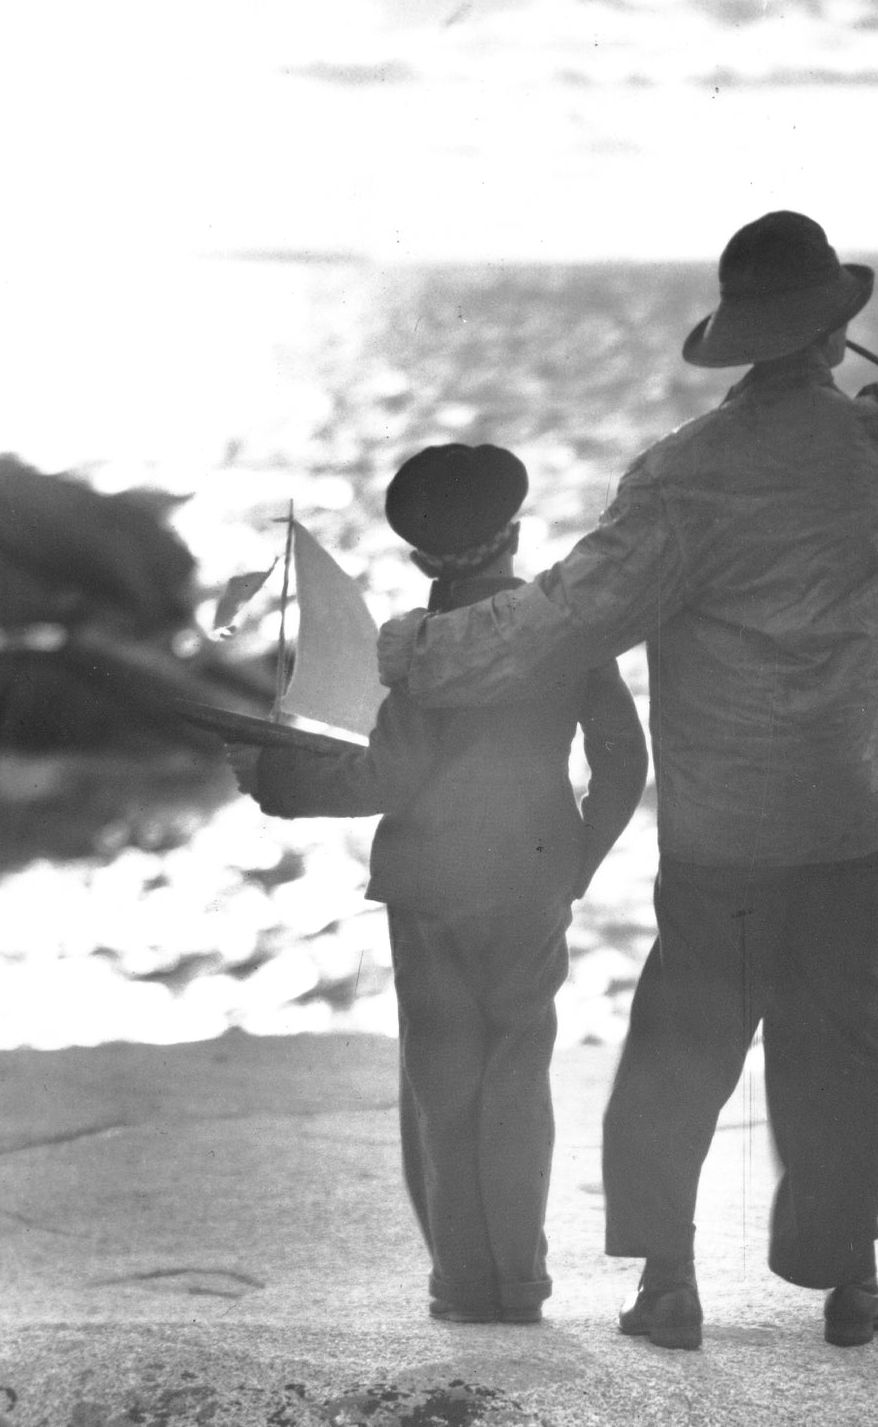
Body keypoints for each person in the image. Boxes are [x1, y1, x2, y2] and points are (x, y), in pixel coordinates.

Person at [377, 212, 878, 1351]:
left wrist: (410, 651)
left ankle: (668, 1282)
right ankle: (849, 1285)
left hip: (726, 822)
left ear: (734, 339)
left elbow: (556, 624)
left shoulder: (681, 480)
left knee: (686, 1033)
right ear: (835, 331)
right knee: (840, 1040)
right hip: (853, 809)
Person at [230, 443, 647, 1324]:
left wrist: (273, 779)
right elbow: (623, 755)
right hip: (532, 879)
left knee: (443, 1080)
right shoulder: (562, 629)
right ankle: (521, 1286)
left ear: (421, 559)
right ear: (516, 533)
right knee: (517, 1076)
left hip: (431, 890)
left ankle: (464, 1286)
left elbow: (385, 778)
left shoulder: (421, 653)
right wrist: (576, 861)